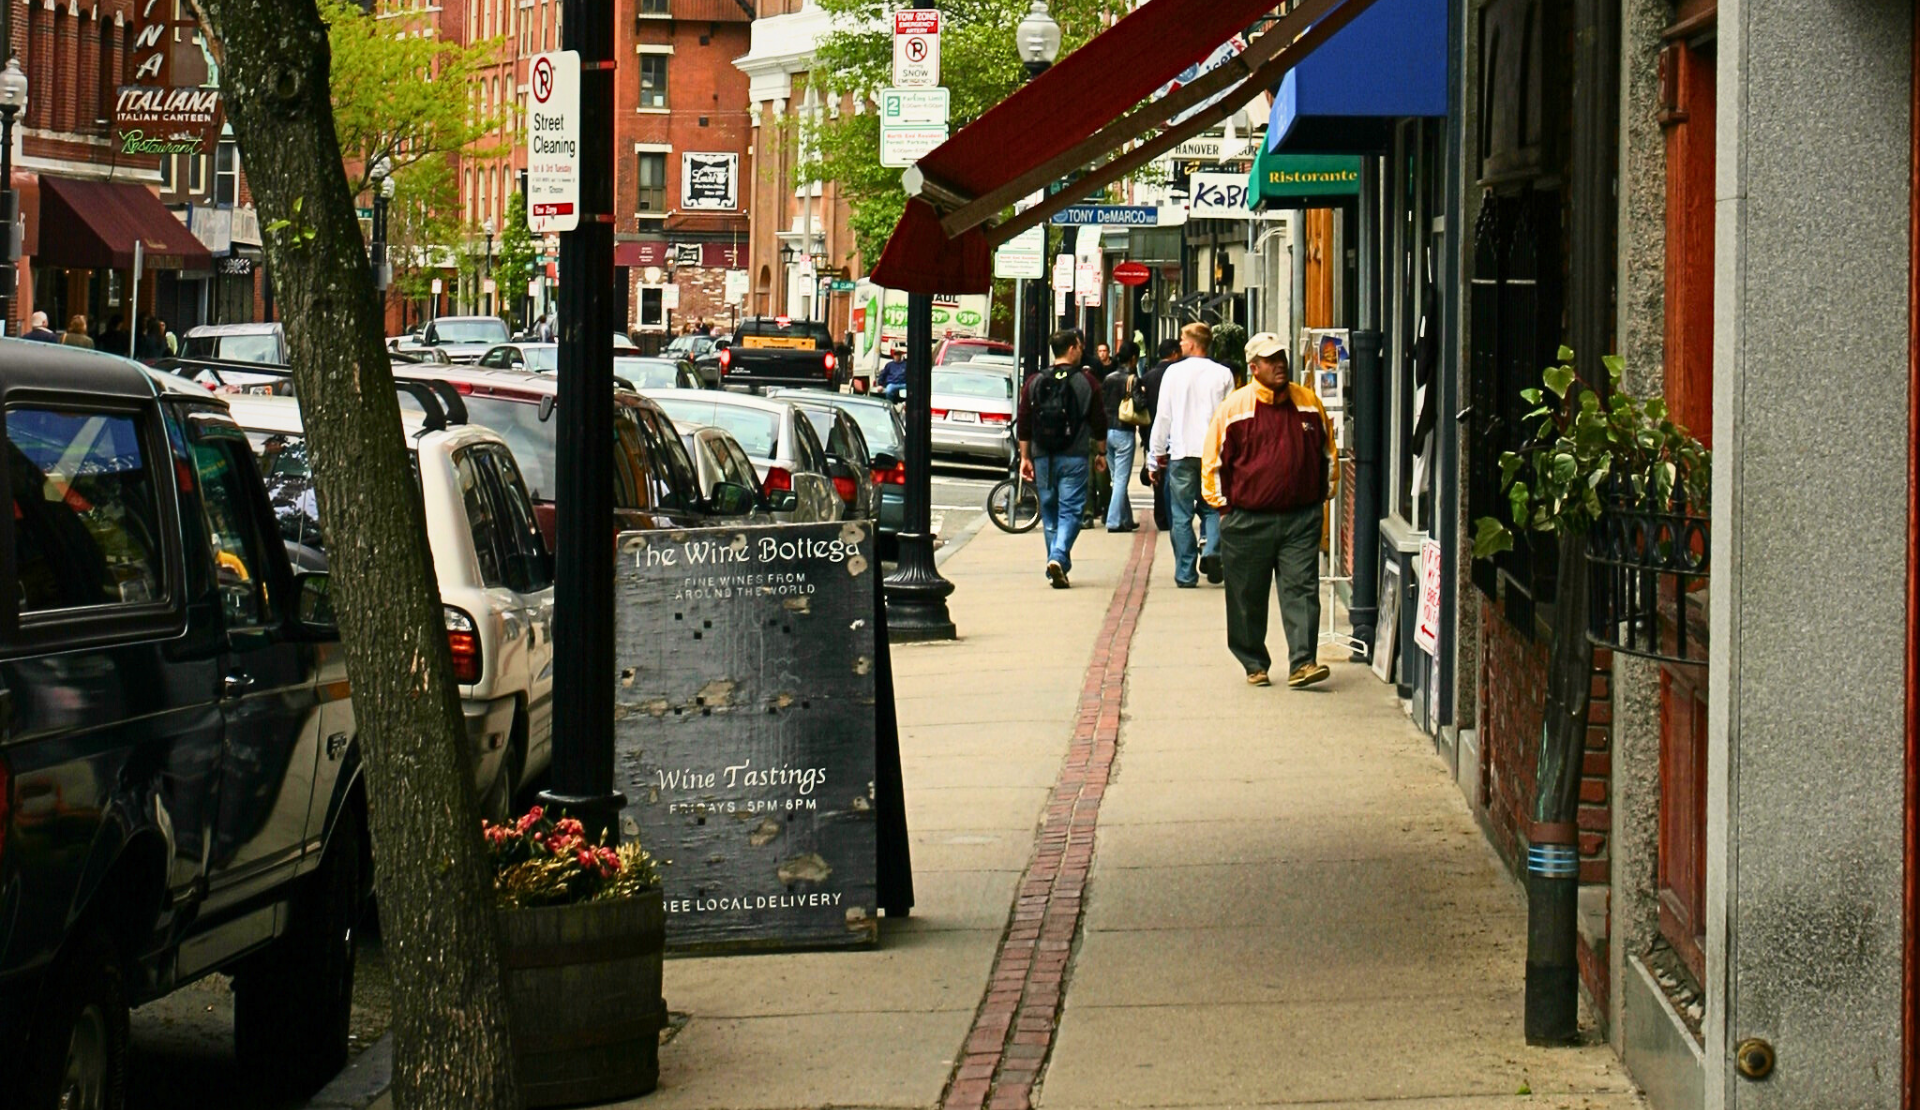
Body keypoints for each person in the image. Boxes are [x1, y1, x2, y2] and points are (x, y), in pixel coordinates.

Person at [1203, 332, 1337, 689]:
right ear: (1254, 367)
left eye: (1282, 358)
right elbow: (1212, 463)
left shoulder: (1308, 403)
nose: (1279, 364)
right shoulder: (1234, 408)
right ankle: (1253, 663)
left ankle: (1303, 663)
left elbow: (1328, 452)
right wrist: (1225, 509)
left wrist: (1324, 495)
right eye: (1270, 360)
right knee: (1247, 594)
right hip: (1247, 519)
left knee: (1302, 590)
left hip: (1300, 518)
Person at [1016, 329, 1106, 588]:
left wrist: (1025, 456)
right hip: (1074, 455)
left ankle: (1055, 564)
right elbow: (1099, 421)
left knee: (1050, 512)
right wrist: (1101, 452)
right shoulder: (1087, 382)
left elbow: (1024, 422)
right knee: (1071, 512)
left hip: (1043, 456)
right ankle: (1058, 557)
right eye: (1080, 345)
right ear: (1073, 348)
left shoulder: (1034, 381)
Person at [1147, 323, 1235, 588]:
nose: (1180, 344)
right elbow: (1229, 417)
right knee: (1213, 506)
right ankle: (1211, 551)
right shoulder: (1223, 374)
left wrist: (1156, 454)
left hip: (1182, 450)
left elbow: (1163, 416)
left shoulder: (1174, 373)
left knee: (1181, 514)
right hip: (1213, 452)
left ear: (1194, 343)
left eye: (1183, 339)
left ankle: (1186, 571)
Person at [1100, 342, 1142, 533]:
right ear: (1133, 358)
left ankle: (1126, 517)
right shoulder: (1132, 379)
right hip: (1124, 430)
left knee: (1117, 477)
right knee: (1121, 479)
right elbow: (1140, 405)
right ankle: (1114, 520)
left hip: (1108, 430)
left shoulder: (1108, 378)